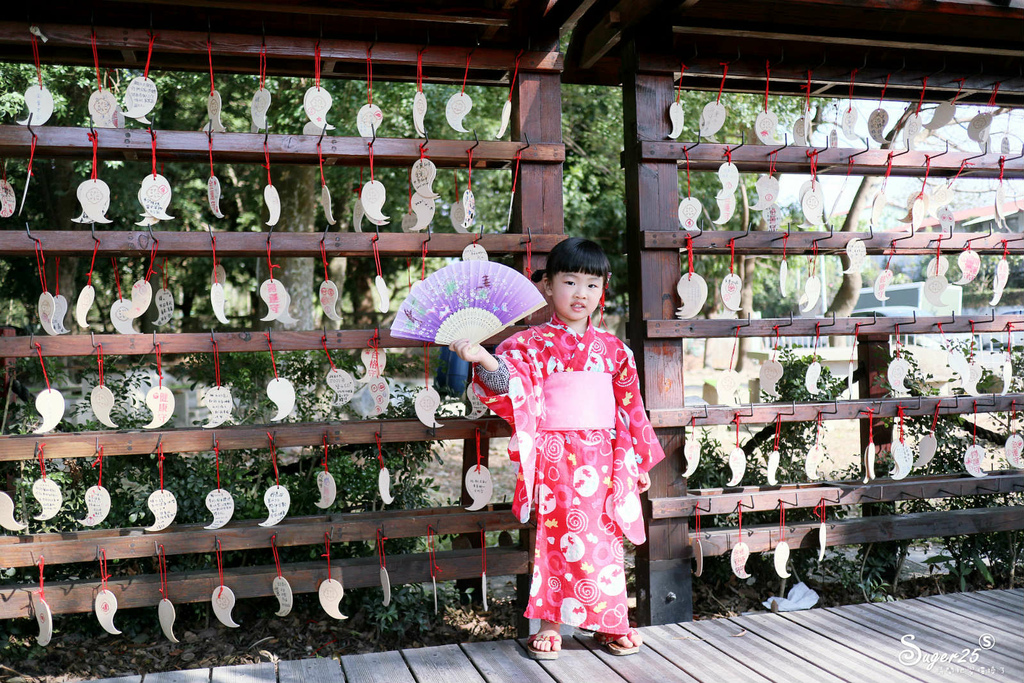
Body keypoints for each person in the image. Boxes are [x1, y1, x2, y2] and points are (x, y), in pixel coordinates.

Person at [449, 237, 665, 660]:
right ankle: (550, 623)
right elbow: (512, 387)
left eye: (591, 284)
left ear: (603, 289)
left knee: (608, 536)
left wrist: (635, 459)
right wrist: (485, 360)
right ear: (547, 286)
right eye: (569, 281)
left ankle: (611, 620)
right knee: (556, 536)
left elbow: (630, 407)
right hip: (554, 455)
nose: (581, 293)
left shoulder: (615, 351)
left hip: (606, 455)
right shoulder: (528, 345)